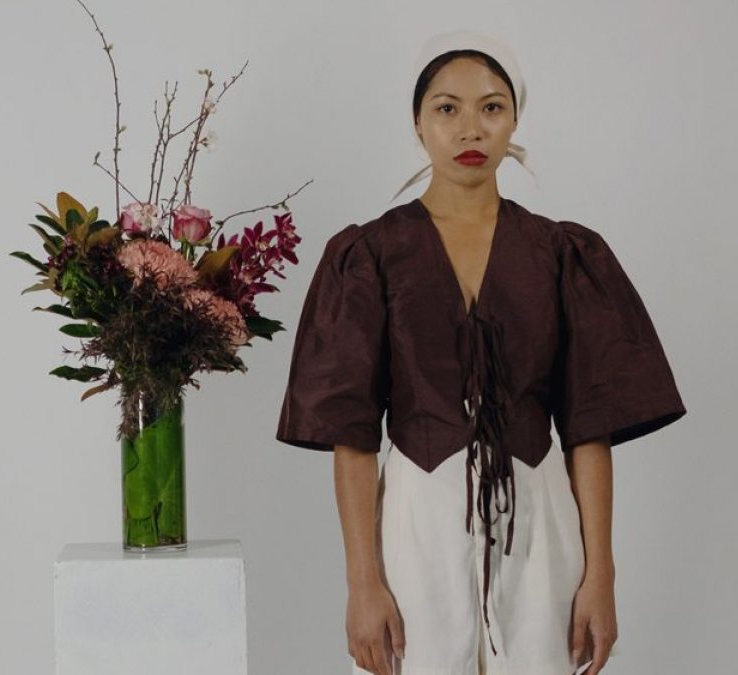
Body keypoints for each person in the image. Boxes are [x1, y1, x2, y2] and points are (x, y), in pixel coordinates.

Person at [277, 32, 685, 675]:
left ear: (514, 119)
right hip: (415, 516)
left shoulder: (561, 253)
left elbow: (589, 428)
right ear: (418, 122)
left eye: (492, 107)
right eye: (448, 108)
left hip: (541, 516)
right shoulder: (370, 255)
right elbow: (351, 436)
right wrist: (362, 582)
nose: (471, 127)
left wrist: (600, 576)